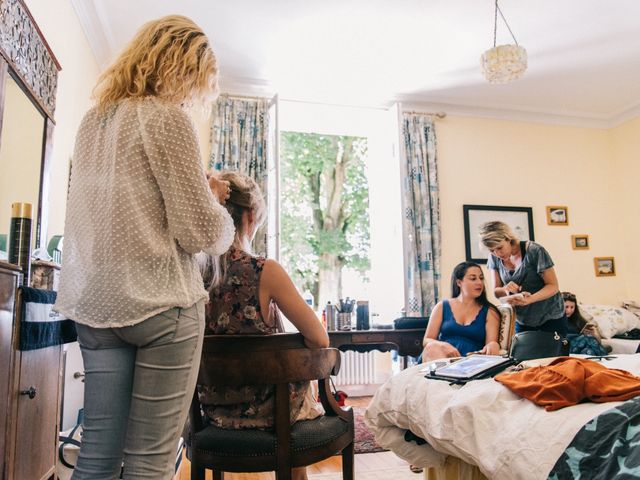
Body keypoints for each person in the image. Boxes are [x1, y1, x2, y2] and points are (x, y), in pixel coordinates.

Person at [54, 16, 235, 480]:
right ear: (183, 67)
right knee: (148, 464)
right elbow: (199, 234)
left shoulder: (93, 122)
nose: (192, 93)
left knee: (95, 453)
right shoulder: (167, 118)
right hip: (161, 308)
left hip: (98, 308)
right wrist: (217, 206)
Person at [197, 171, 329, 480]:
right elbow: (319, 339)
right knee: (294, 381)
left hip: (212, 411)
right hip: (270, 414)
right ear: (252, 215)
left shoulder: (193, 270)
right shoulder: (264, 271)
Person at [480, 221, 567, 335]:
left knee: (554, 353)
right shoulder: (494, 258)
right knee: (524, 352)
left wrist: (531, 299)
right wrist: (506, 290)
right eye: (492, 250)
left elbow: (553, 286)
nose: (497, 253)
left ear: (508, 238)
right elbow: (496, 291)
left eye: (500, 247)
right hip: (522, 320)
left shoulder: (535, 251)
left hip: (551, 316)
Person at [422, 261, 501, 361]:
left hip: (470, 361)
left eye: (481, 278)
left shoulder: (490, 311)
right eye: (473, 278)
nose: (479, 282)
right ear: (459, 282)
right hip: (440, 357)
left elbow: (491, 342)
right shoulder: (442, 306)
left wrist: (493, 345)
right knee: (432, 347)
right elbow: (426, 340)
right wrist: (443, 345)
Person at [562, 291, 609, 356]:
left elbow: (598, 342)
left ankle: (600, 364)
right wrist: (581, 336)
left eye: (572, 307)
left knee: (589, 351)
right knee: (587, 338)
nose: (569, 310)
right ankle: (607, 359)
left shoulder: (578, 320)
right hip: (565, 347)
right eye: (566, 307)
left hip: (580, 347)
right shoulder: (556, 320)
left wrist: (595, 334)